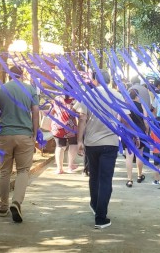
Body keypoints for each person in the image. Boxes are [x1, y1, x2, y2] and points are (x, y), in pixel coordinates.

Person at [76, 69, 129, 229]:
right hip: (110, 144)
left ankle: (94, 204)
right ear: (109, 80)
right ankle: (100, 217)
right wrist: (132, 136)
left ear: (94, 79)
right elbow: (125, 119)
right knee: (105, 179)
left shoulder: (88, 95)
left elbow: (82, 119)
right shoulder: (117, 95)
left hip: (91, 143)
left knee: (94, 176)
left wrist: (79, 140)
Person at [0, 65, 39, 223]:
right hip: (25, 135)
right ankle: (16, 201)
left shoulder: (1, 89)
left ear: (9, 75)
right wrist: (35, 133)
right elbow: (36, 111)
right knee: (23, 171)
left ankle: (3, 207)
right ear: (22, 75)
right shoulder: (30, 89)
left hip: (5, 135)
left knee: (5, 172)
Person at [124, 89, 149, 187]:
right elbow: (146, 120)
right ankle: (139, 175)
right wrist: (146, 130)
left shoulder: (126, 106)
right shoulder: (141, 106)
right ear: (137, 96)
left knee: (129, 156)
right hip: (140, 131)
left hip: (128, 132)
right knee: (139, 154)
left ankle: (129, 179)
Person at [49, 92, 79, 174]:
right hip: (71, 127)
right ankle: (70, 166)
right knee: (73, 144)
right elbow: (79, 113)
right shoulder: (75, 99)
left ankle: (59, 168)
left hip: (58, 126)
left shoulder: (57, 98)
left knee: (59, 146)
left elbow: (51, 112)